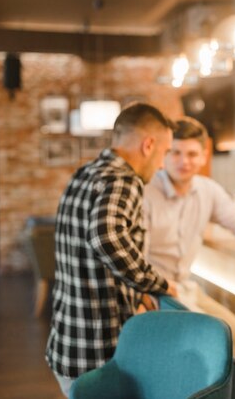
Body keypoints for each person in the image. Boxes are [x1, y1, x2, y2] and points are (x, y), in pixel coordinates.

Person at [45, 102, 178, 396]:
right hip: (96, 351)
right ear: (148, 145)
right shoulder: (124, 180)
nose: (161, 165)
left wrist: (136, 291)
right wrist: (158, 284)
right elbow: (105, 237)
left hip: (68, 342)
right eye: (165, 153)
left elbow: (90, 253)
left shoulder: (83, 173)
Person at [143, 116, 235, 358]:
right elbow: (136, 259)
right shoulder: (145, 191)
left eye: (191, 154)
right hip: (155, 295)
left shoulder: (207, 190)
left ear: (204, 155)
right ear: (164, 154)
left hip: (188, 289)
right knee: (209, 350)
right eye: (175, 153)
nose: (183, 161)